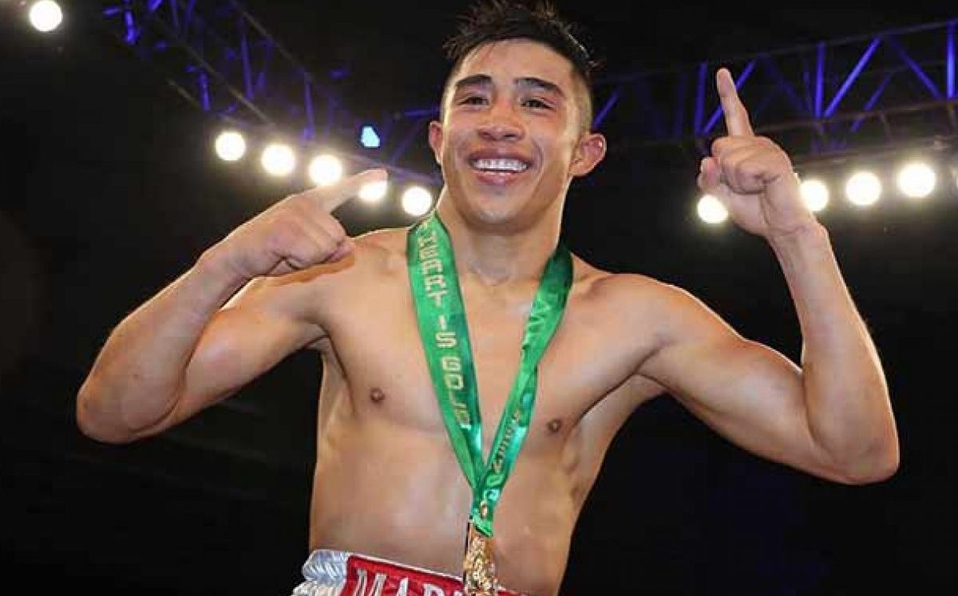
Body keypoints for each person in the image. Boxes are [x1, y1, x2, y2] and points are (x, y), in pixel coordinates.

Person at [75, 1, 900, 595]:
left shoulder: (636, 319)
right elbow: (114, 413)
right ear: (440, 141)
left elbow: (855, 452)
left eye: (536, 103)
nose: (500, 121)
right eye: (475, 98)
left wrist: (797, 234)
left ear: (584, 153)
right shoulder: (343, 274)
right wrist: (223, 263)